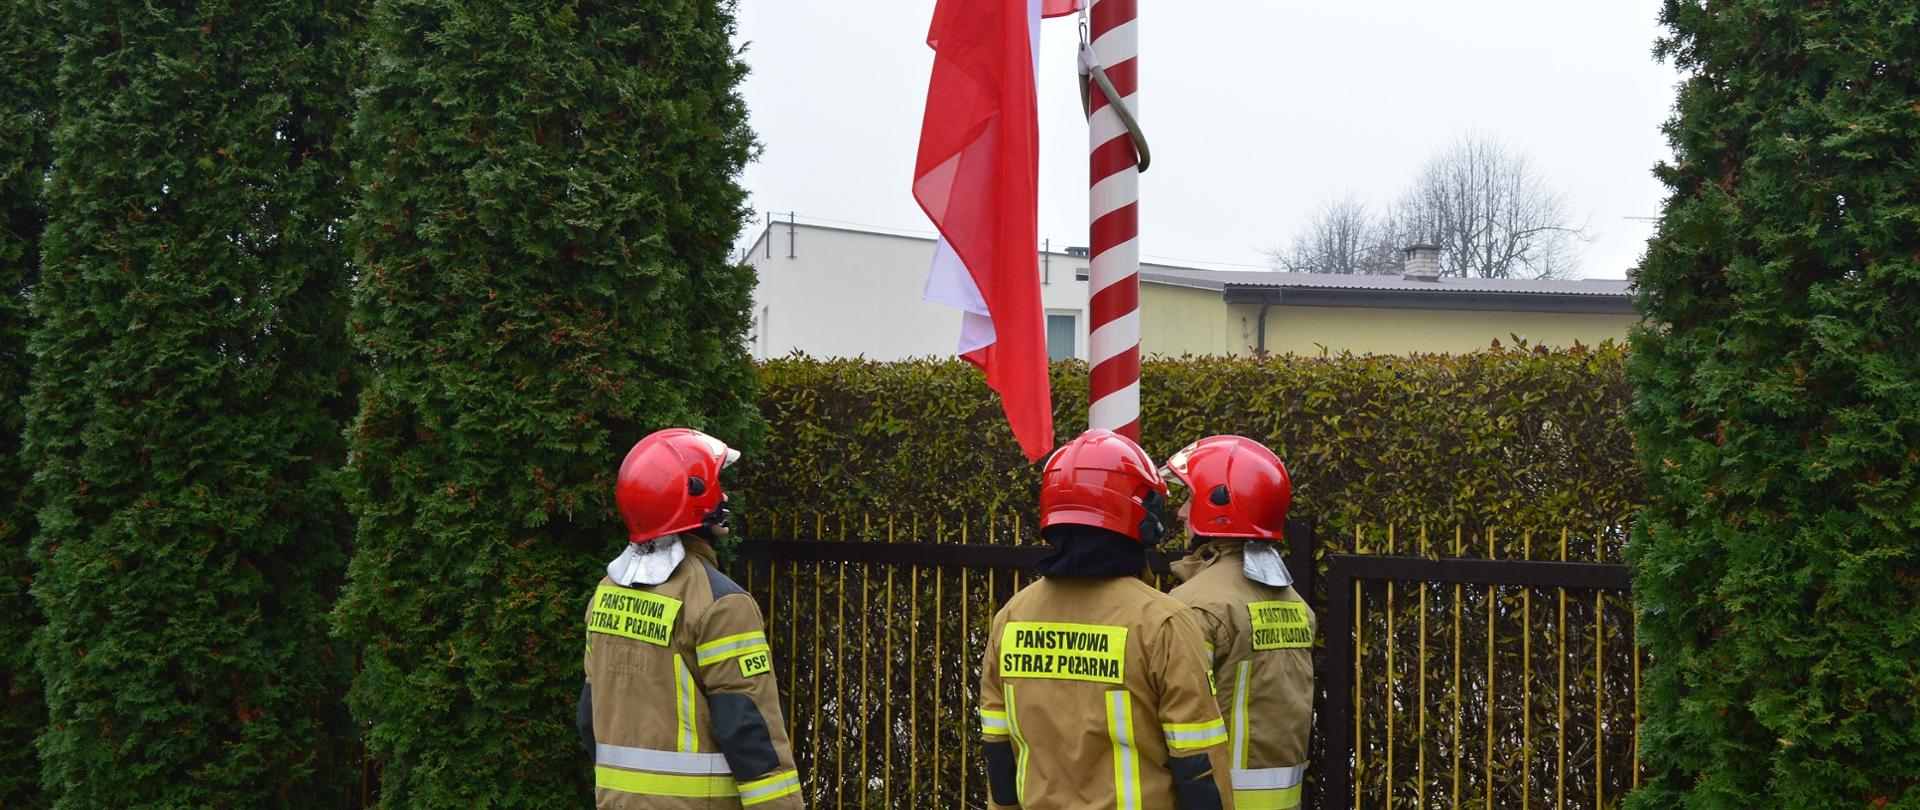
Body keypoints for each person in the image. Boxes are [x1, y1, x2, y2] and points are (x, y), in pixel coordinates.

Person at [979, 428, 1234, 810]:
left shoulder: (1011, 617)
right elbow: (1198, 762)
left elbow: (998, 754)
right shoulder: (1164, 622)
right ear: (1143, 517)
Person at [577, 428, 803, 809]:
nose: (725, 496)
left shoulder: (606, 594)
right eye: (718, 486)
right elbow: (749, 730)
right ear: (693, 498)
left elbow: (589, 718)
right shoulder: (722, 604)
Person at [1163, 436, 1313, 810]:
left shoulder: (1193, 606)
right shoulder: (1294, 603)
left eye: (1189, 499)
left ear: (1218, 507)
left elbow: (1173, 722)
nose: (1181, 513)